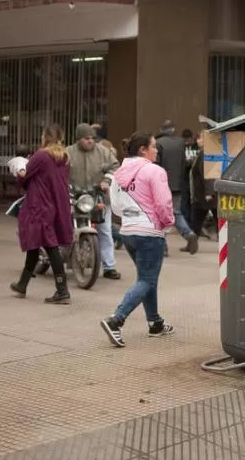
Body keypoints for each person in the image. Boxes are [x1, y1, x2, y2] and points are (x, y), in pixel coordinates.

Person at [102, 132, 176, 347]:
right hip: (149, 232)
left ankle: (155, 323)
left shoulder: (119, 173)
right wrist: (168, 222)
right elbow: (163, 203)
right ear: (143, 150)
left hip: (127, 231)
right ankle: (115, 320)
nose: (156, 150)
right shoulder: (154, 171)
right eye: (154, 146)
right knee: (147, 280)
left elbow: (114, 206)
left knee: (146, 278)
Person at [9, 124, 74, 304]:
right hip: (56, 204)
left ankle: (62, 290)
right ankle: (22, 284)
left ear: (45, 137)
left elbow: (24, 177)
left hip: (39, 205)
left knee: (49, 245)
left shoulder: (41, 156)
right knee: (35, 244)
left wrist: (20, 171)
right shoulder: (66, 157)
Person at [67, 123, 122, 280]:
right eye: (86, 138)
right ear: (78, 139)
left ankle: (109, 266)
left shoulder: (103, 152)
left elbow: (115, 167)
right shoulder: (68, 153)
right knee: (66, 228)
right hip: (74, 198)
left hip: (99, 197)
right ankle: (67, 257)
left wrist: (106, 180)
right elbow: (59, 171)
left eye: (92, 138)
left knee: (105, 231)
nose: (90, 141)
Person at [156, 120, 199, 253]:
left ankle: (162, 247)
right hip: (178, 185)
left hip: (162, 185)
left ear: (161, 129)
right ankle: (189, 234)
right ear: (173, 129)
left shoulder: (159, 144)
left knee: (159, 215)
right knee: (176, 212)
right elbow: (185, 163)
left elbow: (157, 165)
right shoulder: (181, 143)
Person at [187, 132, 217, 247]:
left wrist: (209, 192)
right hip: (202, 195)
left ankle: (192, 243)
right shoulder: (203, 154)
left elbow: (208, 175)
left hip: (205, 195)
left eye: (200, 138)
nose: (197, 140)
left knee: (199, 219)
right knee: (197, 221)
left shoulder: (206, 155)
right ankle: (192, 243)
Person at [181, 128, 198, 228]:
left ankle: (193, 224)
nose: (187, 142)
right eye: (185, 140)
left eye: (189, 140)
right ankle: (188, 224)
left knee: (194, 203)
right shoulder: (181, 147)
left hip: (195, 178)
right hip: (184, 178)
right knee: (185, 203)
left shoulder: (196, 147)